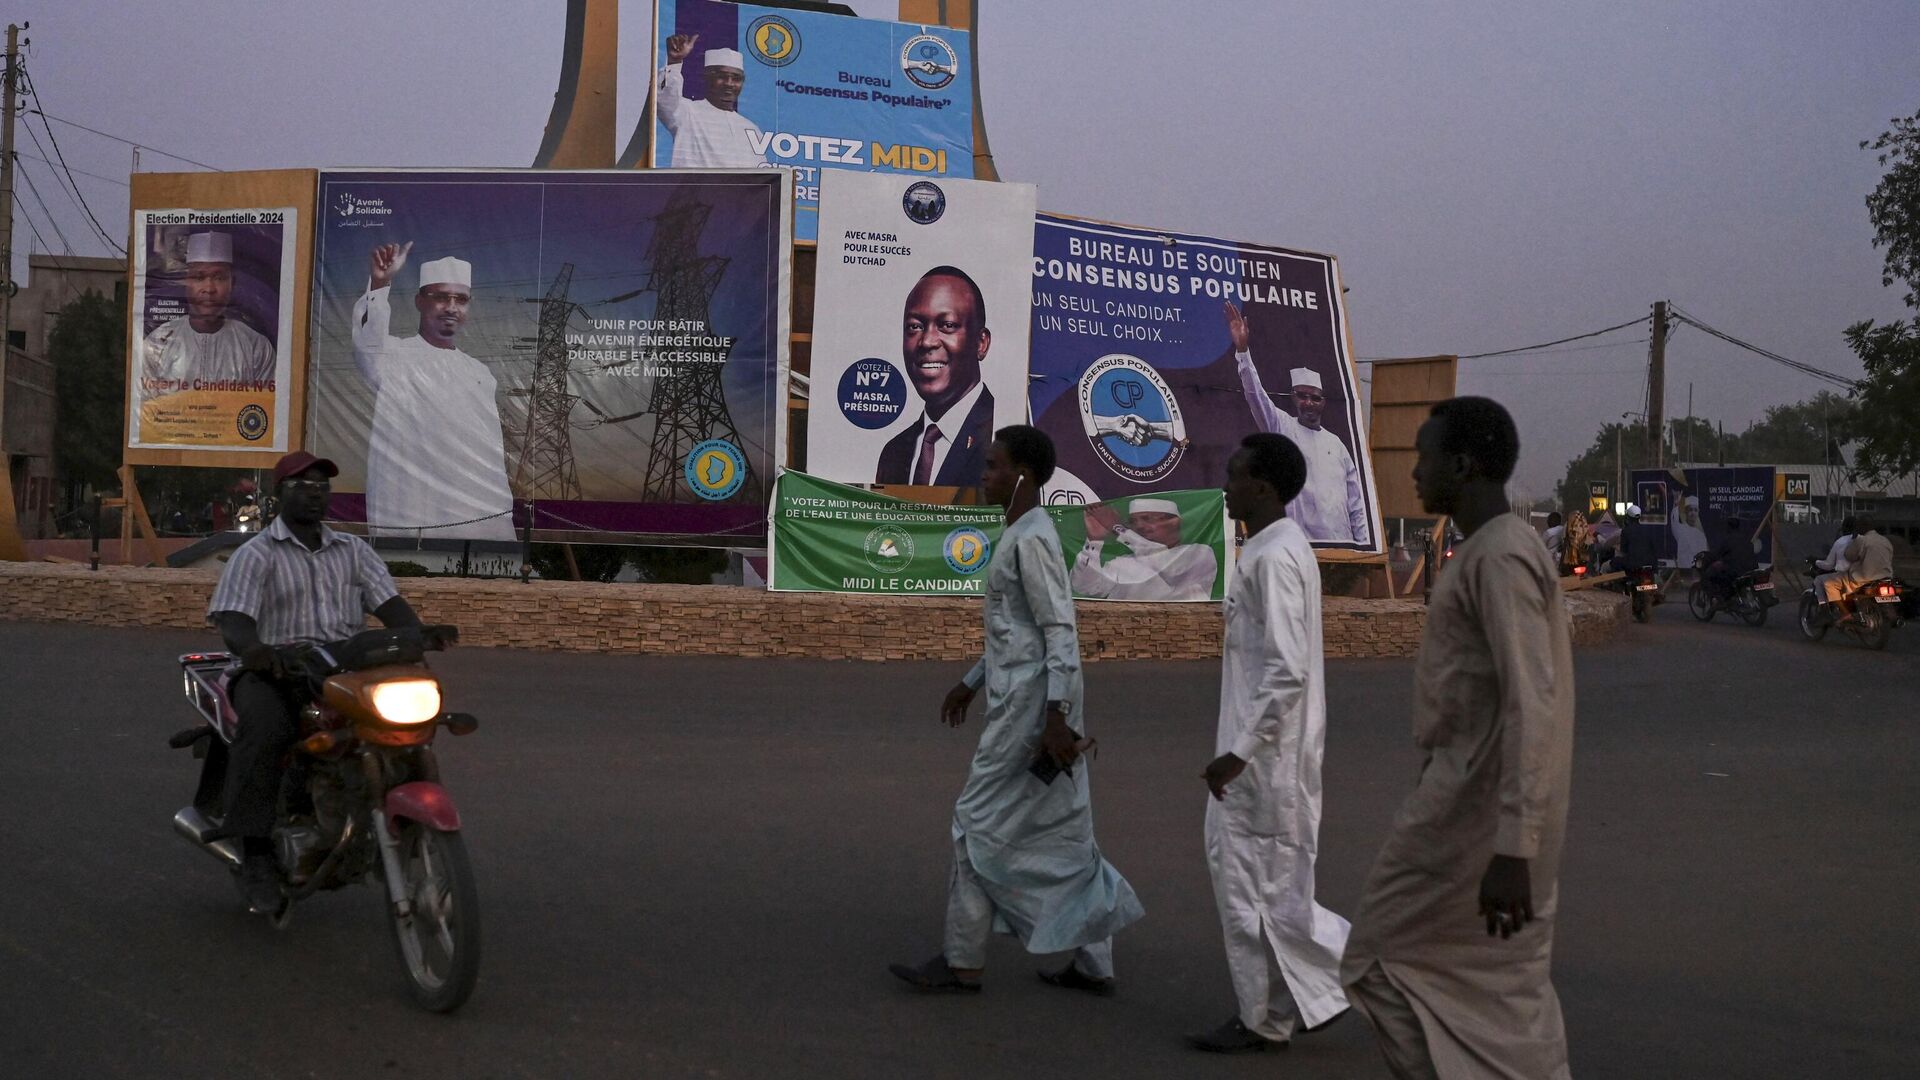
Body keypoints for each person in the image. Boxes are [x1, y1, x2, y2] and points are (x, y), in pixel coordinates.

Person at [1341, 396, 1576, 1080]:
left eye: (1424, 455)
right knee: (1500, 991)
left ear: (1463, 465)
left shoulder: (1500, 557)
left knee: (1375, 960)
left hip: (1475, 815)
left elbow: (1533, 705)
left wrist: (1514, 845)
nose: (1414, 471)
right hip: (1465, 798)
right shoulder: (1491, 550)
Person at [891, 425, 1144, 995]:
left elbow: (1060, 631)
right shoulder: (1020, 533)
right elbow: (1016, 633)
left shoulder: (1032, 538)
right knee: (1067, 831)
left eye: (994, 466)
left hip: (1031, 713)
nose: (984, 475)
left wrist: (1055, 717)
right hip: (1029, 702)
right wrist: (970, 681)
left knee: (971, 822)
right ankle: (1094, 961)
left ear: (1023, 475)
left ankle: (962, 962)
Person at [1187, 433, 1350, 1054]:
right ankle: (1268, 1018)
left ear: (1262, 487)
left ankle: (1362, 967)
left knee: (1260, 894)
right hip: (1264, 754)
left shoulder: (1275, 557)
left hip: (1265, 761)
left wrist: (1241, 751)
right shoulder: (1270, 548)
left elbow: (1287, 669)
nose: (1225, 486)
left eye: (1234, 475)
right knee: (1258, 893)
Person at [205, 451, 424, 914]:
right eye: (302, 484)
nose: (315, 492)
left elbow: (392, 609)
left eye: (322, 485)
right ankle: (257, 855)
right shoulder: (256, 554)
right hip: (276, 668)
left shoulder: (354, 551)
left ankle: (399, 828)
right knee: (266, 730)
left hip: (342, 668)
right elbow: (233, 620)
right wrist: (255, 650)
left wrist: (419, 634)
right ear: (279, 493)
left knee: (405, 725)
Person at [351, 241, 517, 541]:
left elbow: (490, 463)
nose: (451, 307)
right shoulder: (391, 356)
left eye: (460, 299)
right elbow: (367, 338)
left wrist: (501, 528)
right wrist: (380, 282)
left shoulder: (480, 375)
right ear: (419, 301)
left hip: (475, 521)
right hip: (411, 514)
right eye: (440, 297)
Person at [1223, 302, 1369, 543]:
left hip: (1342, 548)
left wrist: (1364, 547)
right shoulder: (1283, 428)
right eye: (1302, 396)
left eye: (1315, 397)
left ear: (1323, 402)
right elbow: (1255, 395)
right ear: (1293, 398)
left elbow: (1356, 504)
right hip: (1296, 546)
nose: (1309, 403)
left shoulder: (1337, 445)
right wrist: (1243, 352)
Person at [876, 267, 996, 487]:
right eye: (915, 327)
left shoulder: (1004, 437)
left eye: (947, 325)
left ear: (981, 343)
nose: (927, 341)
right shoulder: (894, 453)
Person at [140, 231, 275, 400]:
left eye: (219, 277)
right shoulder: (157, 345)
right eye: (199, 277)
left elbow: (265, 412)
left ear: (232, 283)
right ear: (186, 282)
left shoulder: (255, 347)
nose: (209, 288)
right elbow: (146, 416)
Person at [1070, 497, 1219, 602]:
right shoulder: (1124, 563)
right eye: (1133, 521)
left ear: (1174, 523)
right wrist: (1094, 541)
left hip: (1182, 637)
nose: (1139, 526)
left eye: (1147, 518)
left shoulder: (1199, 553)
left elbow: (1172, 569)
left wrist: (1119, 529)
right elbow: (1083, 587)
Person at [657, 34, 767, 169]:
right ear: (706, 78)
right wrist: (674, 61)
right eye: (722, 77)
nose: (729, 84)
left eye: (736, 78)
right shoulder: (687, 112)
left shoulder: (751, 129)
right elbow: (664, 97)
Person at [1817, 515, 1894, 620]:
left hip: (1862, 579)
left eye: (1859, 526)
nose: (1857, 528)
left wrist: (1854, 541)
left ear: (1863, 526)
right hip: (1885, 577)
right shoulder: (1885, 540)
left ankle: (1845, 614)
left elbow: (1849, 556)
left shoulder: (1861, 540)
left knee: (1828, 583)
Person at [1702, 516, 1758, 600]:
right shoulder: (1745, 538)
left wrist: (1711, 557)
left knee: (1712, 573)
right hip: (1751, 569)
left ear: (1728, 527)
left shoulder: (1728, 539)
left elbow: (1718, 554)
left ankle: (1722, 597)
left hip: (1736, 571)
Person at [1609, 504, 1660, 572]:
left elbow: (1623, 551)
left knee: (1614, 562)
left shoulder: (1626, 530)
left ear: (1628, 517)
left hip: (1633, 565)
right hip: (1650, 564)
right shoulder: (1647, 530)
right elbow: (1654, 549)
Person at [1670, 495, 1709, 569]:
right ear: (1686, 512)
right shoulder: (1680, 529)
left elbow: (1704, 557)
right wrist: (1676, 504)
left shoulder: (1701, 535)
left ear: (1698, 513)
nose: (1693, 513)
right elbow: (1673, 519)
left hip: (1697, 572)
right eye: (1690, 510)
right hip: (1684, 570)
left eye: (1695, 510)